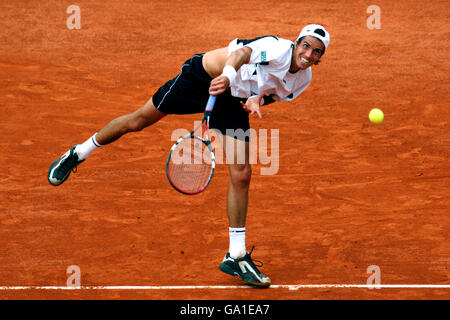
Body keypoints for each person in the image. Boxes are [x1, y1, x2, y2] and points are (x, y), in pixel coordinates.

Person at [48, 24, 330, 288]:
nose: (308, 54)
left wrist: (258, 99)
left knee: (242, 173)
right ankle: (79, 152)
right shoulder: (277, 48)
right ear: (296, 43)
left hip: (233, 100)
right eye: (306, 46)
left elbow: (274, 95)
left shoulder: (303, 79)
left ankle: (236, 255)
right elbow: (242, 53)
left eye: (316, 52)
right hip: (203, 78)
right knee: (138, 121)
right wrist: (227, 77)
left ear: (320, 58)